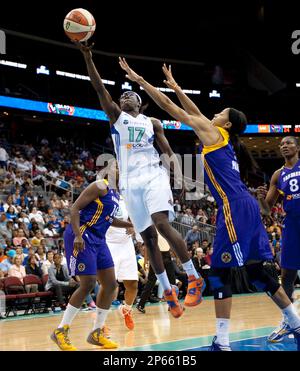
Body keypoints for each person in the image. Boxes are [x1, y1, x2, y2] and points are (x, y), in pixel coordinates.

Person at [118, 59, 300, 351]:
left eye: (219, 112)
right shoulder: (221, 134)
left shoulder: (213, 133)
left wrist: (140, 80)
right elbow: (194, 111)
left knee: (219, 274)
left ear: (226, 123)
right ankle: (295, 322)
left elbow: (170, 108)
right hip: (247, 207)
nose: (212, 114)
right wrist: (177, 86)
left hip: (234, 208)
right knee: (257, 273)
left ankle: (223, 342)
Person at [76, 42, 205, 319]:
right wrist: (88, 57)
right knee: (147, 239)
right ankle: (168, 290)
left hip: (153, 175)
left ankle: (194, 277)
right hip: (129, 185)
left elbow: (169, 153)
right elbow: (99, 88)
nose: (124, 96)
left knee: (161, 224)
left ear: (140, 102)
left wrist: (180, 179)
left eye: (130, 94)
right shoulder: (116, 118)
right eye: (122, 95)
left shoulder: (152, 122)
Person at [50, 178, 133, 351]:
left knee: (110, 285)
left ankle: (96, 333)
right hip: (83, 233)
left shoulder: (116, 195)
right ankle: (60, 331)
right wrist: (77, 235)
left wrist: (129, 224)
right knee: (88, 283)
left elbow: (109, 220)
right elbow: (74, 208)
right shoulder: (100, 185)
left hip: (99, 239)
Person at [257, 136, 300, 343]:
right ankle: (288, 320)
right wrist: (260, 198)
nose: (284, 146)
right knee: (287, 274)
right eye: (281, 144)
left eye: (289, 143)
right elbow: (266, 209)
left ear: (297, 147)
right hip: (292, 225)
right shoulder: (277, 175)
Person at [103, 160, 138, 330]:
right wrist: (128, 225)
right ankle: (101, 323)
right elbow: (107, 219)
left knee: (132, 284)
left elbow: (133, 216)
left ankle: (127, 309)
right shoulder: (101, 190)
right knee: (109, 286)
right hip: (108, 243)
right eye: (115, 167)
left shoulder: (126, 194)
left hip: (126, 243)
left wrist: (133, 225)